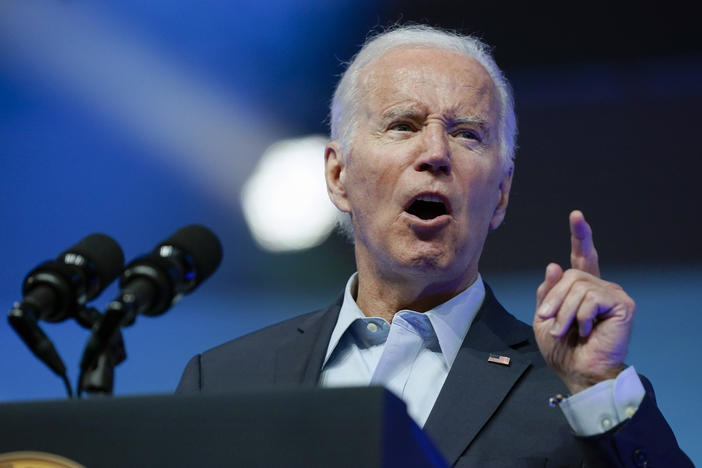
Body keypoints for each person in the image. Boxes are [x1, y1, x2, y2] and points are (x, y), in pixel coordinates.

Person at [177, 25, 692, 466]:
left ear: (501, 194)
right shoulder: (223, 381)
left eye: (467, 134)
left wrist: (600, 388)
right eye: (403, 125)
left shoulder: (572, 392)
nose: (436, 154)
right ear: (338, 176)